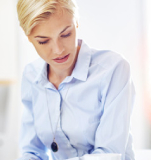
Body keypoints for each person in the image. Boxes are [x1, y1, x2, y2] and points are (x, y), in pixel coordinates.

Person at [17, 0, 135, 159]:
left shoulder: (113, 69)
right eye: (43, 41)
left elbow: (109, 155)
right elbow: (32, 151)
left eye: (65, 34)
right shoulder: (31, 76)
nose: (58, 50)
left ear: (77, 22)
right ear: (28, 37)